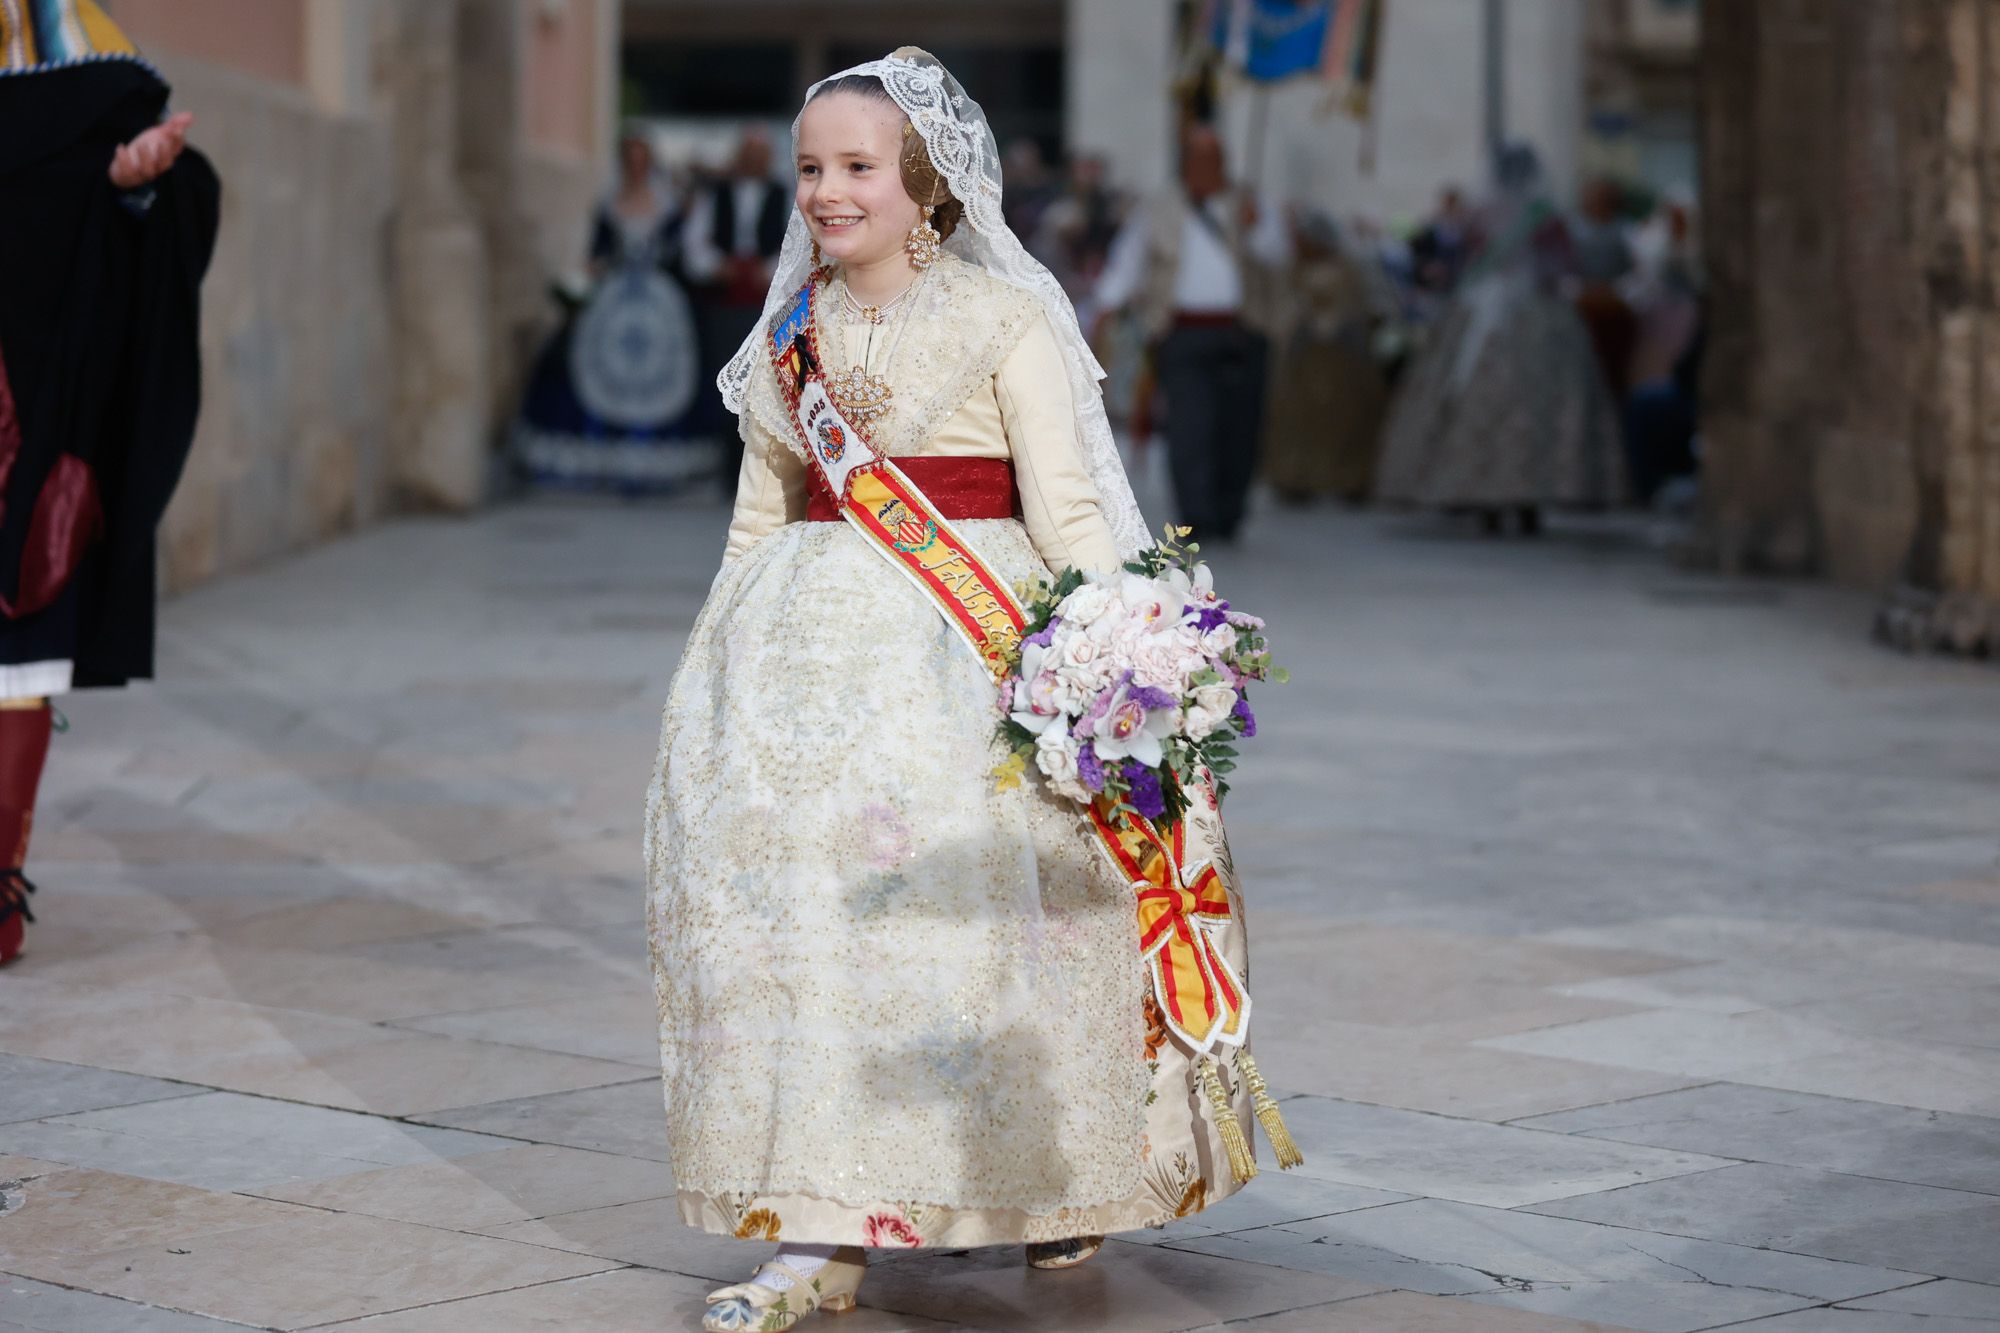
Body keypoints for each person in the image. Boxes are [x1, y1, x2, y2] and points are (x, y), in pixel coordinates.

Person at [645, 49, 1282, 1332]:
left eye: (858, 168)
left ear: (924, 186)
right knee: (793, 932)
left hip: (967, 664)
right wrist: (704, 680)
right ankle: (814, 1229)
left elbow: (1073, 514)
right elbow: (755, 522)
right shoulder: (784, 337)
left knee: (983, 929)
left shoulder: (1004, 322)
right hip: (786, 684)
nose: (828, 192)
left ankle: (1035, 1189)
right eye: (812, 167)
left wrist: (1127, 664)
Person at [0, 1, 220, 966]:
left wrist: (132, 187)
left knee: (19, 649)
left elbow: (161, 202)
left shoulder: (82, 50)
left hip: (32, 416)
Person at [1374, 142, 1624, 535]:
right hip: (1538, 316)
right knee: (1541, 407)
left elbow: (1458, 261)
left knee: (1469, 395)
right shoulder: (1545, 217)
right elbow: (1565, 264)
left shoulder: (1480, 215)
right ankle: (1529, 501)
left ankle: (1482, 494)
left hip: (1481, 312)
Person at [1093, 123, 1290, 544]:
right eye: (1196, 158)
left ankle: (1229, 512)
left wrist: (1256, 227)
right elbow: (1129, 262)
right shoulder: (1159, 208)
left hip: (1242, 332)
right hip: (1180, 333)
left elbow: (1278, 255)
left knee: (1240, 426)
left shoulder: (1250, 204)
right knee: (1189, 426)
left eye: (1211, 158)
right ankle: (1196, 515)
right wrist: (1104, 308)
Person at [513, 131, 715, 493]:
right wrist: (583, 279)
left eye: (641, 158)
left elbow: (680, 253)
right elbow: (598, 252)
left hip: (657, 294)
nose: (636, 165)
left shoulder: (668, 202)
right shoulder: (609, 201)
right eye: (630, 159)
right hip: (614, 291)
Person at [683, 127, 791, 487]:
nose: (753, 162)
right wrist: (720, 266)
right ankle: (727, 470)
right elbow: (694, 246)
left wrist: (765, 270)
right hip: (725, 302)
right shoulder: (714, 195)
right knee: (724, 381)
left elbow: (797, 244)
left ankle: (764, 468)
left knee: (766, 384)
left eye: (760, 155)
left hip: (766, 303)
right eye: (748, 154)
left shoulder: (784, 194)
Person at [1262, 214, 1393, 504]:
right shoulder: (1292, 268)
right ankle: (1297, 478)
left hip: (1343, 357)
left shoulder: (1349, 267)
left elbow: (1366, 304)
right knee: (1299, 420)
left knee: (1346, 419)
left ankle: (1349, 479)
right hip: (1304, 356)